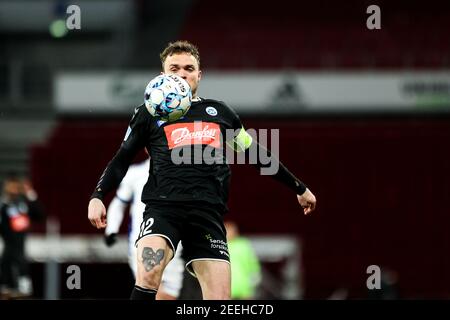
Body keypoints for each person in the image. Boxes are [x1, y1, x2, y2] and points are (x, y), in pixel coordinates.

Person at [88, 40, 317, 300]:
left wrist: (298, 187)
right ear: (163, 75)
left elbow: (254, 153)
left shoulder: (220, 113)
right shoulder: (148, 113)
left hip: (207, 214)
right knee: (149, 276)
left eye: (189, 68)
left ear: (199, 74)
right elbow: (122, 159)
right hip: (164, 210)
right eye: (174, 69)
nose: (182, 74)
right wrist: (98, 195)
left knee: (220, 298)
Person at [104, 158, 185, 300]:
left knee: (169, 295)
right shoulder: (136, 173)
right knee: (151, 288)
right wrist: (111, 229)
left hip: (176, 242)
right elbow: (119, 203)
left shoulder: (183, 172)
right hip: (142, 241)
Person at [0, 174, 45, 299]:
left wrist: (30, 193)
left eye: (16, 187)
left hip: (20, 247)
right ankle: (6, 285)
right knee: (7, 262)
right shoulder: (3, 206)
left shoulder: (24, 205)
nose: (13, 190)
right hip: (8, 248)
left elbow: (40, 215)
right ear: (6, 188)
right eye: (11, 187)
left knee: (19, 261)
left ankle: (23, 285)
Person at [224, 220, 261, 299]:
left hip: (244, 284)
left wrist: (255, 274)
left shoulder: (244, 244)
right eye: (227, 230)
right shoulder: (220, 245)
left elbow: (252, 260)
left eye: (231, 230)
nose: (229, 233)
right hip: (226, 284)